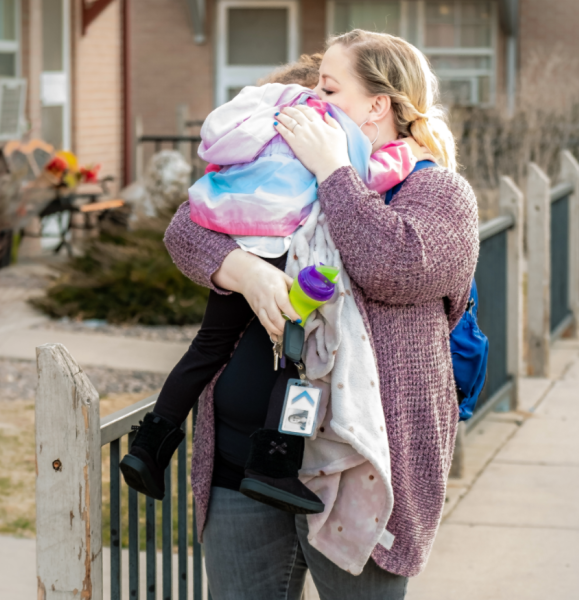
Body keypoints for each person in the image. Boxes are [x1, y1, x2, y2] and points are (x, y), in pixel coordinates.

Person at [165, 30, 478, 599]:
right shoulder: (282, 176)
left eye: (328, 88)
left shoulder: (438, 195)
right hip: (242, 465)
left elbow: (394, 266)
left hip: (355, 475)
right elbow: (187, 227)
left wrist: (335, 171)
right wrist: (247, 270)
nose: (311, 97)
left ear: (377, 105)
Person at [120, 53, 434, 515]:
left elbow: (215, 164)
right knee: (296, 358)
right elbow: (367, 181)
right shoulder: (330, 130)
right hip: (291, 250)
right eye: (322, 87)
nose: (322, 96)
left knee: (208, 344)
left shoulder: (265, 119)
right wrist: (409, 155)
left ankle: (149, 446)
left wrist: (238, 259)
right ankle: (272, 466)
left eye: (331, 87)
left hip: (239, 231)